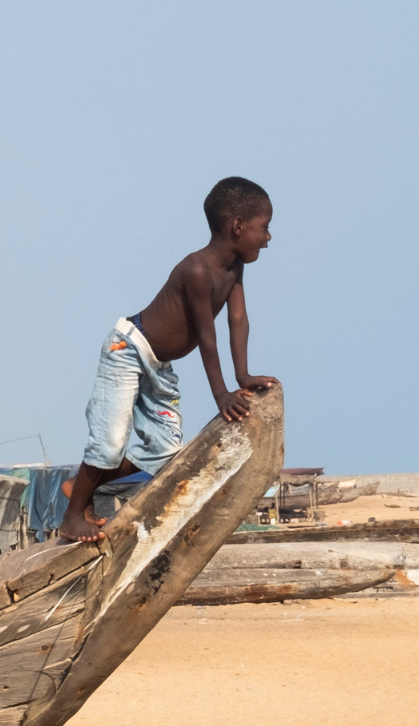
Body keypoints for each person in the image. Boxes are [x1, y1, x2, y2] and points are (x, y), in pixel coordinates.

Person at [56, 177, 280, 543]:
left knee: (164, 452)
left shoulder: (235, 268)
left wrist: (244, 374)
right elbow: (207, 335)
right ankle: (71, 517)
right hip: (126, 350)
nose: (268, 238)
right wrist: (221, 394)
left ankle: (78, 486)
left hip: (158, 366)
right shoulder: (196, 270)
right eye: (265, 228)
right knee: (111, 440)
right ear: (237, 227)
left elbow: (236, 319)